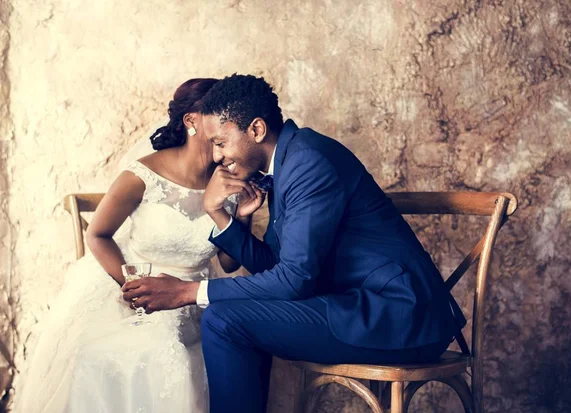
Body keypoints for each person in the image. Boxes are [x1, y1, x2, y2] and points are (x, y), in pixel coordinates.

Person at [123, 74, 467, 413]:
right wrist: (222, 216)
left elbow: (293, 280)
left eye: (220, 142)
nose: (216, 156)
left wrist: (188, 291)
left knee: (223, 320)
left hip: (399, 316)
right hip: (357, 306)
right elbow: (280, 267)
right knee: (227, 317)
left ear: (256, 130)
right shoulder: (287, 161)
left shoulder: (308, 161)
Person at [13, 78, 256, 413]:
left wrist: (241, 218)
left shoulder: (230, 177)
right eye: (218, 114)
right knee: (121, 351)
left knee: (209, 353)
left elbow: (229, 265)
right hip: (134, 286)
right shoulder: (144, 175)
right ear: (191, 121)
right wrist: (132, 285)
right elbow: (97, 234)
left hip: (194, 294)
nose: (227, 123)